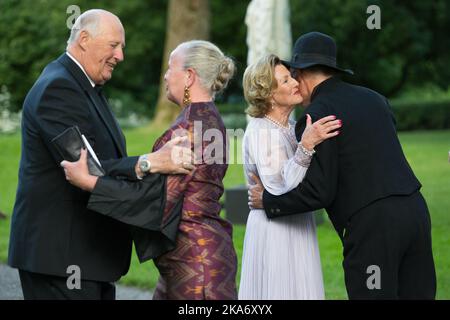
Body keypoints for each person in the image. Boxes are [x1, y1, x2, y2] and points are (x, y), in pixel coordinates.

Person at [8, 9, 192, 300]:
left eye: (122, 47)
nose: (120, 56)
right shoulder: (58, 88)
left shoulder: (83, 86)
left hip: (86, 259)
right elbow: (86, 170)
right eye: (113, 45)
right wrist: (150, 163)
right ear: (83, 39)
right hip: (62, 260)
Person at [248, 32, 436, 299]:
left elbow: (319, 191)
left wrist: (269, 202)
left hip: (372, 226)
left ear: (301, 73)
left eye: (292, 77)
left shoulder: (316, 116)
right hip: (416, 212)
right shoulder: (375, 98)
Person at [63, 40, 239, 300]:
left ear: (189, 76)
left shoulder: (187, 130)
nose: (166, 76)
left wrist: (89, 182)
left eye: (170, 68)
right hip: (197, 256)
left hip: (195, 264)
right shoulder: (210, 119)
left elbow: (153, 200)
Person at [239, 54, 341, 299]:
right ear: (269, 94)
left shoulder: (290, 125)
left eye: (292, 77)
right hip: (275, 230)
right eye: (285, 81)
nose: (296, 82)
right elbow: (279, 186)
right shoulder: (261, 130)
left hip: (297, 222)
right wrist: (306, 146)